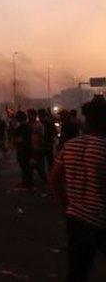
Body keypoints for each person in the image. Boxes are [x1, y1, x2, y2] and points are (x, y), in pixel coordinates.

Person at [49, 96, 106, 281]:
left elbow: (53, 180)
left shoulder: (71, 146)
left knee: (77, 272)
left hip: (75, 219)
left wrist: (67, 204)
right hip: (100, 220)